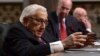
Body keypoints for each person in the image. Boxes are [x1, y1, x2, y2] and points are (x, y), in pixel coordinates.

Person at [2, 4, 87, 56]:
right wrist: (64, 43)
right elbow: (27, 52)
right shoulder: (16, 31)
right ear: (26, 20)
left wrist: (74, 43)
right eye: (39, 21)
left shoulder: (39, 29)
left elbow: (56, 42)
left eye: (45, 22)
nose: (43, 26)